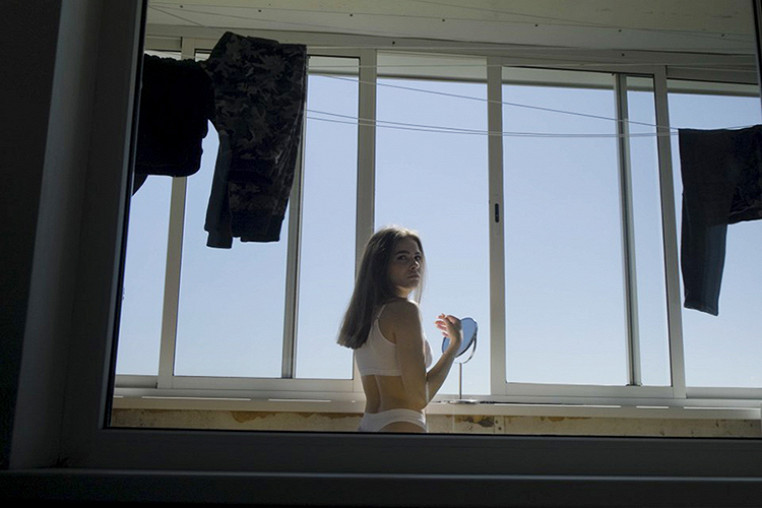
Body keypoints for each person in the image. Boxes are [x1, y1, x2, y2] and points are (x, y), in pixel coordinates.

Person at [338, 225, 463, 433]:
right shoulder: (405, 311)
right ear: (381, 265)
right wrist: (454, 346)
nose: (414, 265)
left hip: (369, 425)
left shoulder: (365, 314)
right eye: (402, 258)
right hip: (403, 424)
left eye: (417, 257)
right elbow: (418, 398)